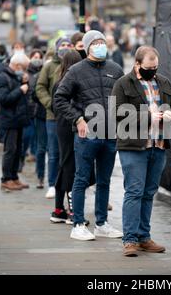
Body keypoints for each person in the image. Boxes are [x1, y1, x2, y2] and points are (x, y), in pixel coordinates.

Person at [54, 30, 124, 241]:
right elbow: (60, 99)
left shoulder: (115, 69)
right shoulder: (75, 71)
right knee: (81, 178)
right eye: (95, 42)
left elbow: (126, 99)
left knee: (104, 180)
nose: (100, 45)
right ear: (86, 46)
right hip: (87, 135)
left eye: (102, 41)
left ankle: (101, 223)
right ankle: (78, 224)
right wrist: (78, 119)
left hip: (110, 134)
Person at [112, 46, 171, 257]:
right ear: (137, 64)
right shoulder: (123, 83)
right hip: (134, 146)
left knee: (149, 193)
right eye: (149, 67)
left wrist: (170, 116)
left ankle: (144, 237)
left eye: (155, 67)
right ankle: (129, 240)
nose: (153, 71)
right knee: (134, 191)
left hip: (159, 145)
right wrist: (149, 116)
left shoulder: (164, 82)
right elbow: (117, 115)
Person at [36, 37, 73, 199]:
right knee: (53, 152)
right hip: (52, 116)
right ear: (57, 48)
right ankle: (52, 184)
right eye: (62, 45)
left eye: (68, 45)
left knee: (69, 153)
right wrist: (50, 103)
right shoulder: (49, 66)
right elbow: (40, 86)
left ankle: (69, 185)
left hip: (70, 116)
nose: (65, 48)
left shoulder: (75, 65)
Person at [50, 50, 83, 224]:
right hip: (72, 127)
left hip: (61, 127)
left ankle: (58, 209)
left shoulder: (58, 83)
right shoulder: (73, 83)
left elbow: (52, 105)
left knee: (64, 165)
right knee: (71, 167)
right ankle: (72, 211)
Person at [0, 53, 31, 192]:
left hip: (18, 119)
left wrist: (24, 84)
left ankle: (14, 177)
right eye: (25, 68)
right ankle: (6, 179)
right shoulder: (2, 77)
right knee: (10, 150)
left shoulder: (14, 75)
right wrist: (20, 90)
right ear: (18, 66)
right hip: (9, 120)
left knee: (17, 150)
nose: (25, 71)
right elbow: (3, 99)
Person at [19, 50, 43, 173]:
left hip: (38, 111)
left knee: (37, 139)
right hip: (27, 111)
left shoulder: (43, 73)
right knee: (26, 137)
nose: (36, 59)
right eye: (34, 57)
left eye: (39, 57)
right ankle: (21, 158)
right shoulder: (25, 74)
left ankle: (36, 161)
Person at [28, 50, 47, 189]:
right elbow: (34, 93)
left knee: (53, 150)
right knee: (41, 147)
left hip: (55, 116)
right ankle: (40, 176)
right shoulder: (39, 75)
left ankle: (52, 179)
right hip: (41, 114)